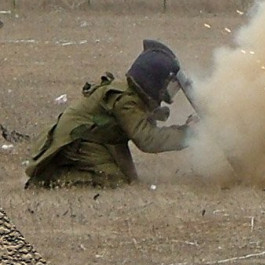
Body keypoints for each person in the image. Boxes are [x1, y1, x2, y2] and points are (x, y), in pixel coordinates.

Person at [25, 40, 195, 188]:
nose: (168, 93)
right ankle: (50, 179)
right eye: (167, 86)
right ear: (153, 82)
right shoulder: (126, 101)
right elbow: (147, 140)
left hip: (97, 137)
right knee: (114, 180)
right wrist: (189, 134)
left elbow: (142, 122)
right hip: (76, 140)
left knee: (131, 180)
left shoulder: (132, 95)